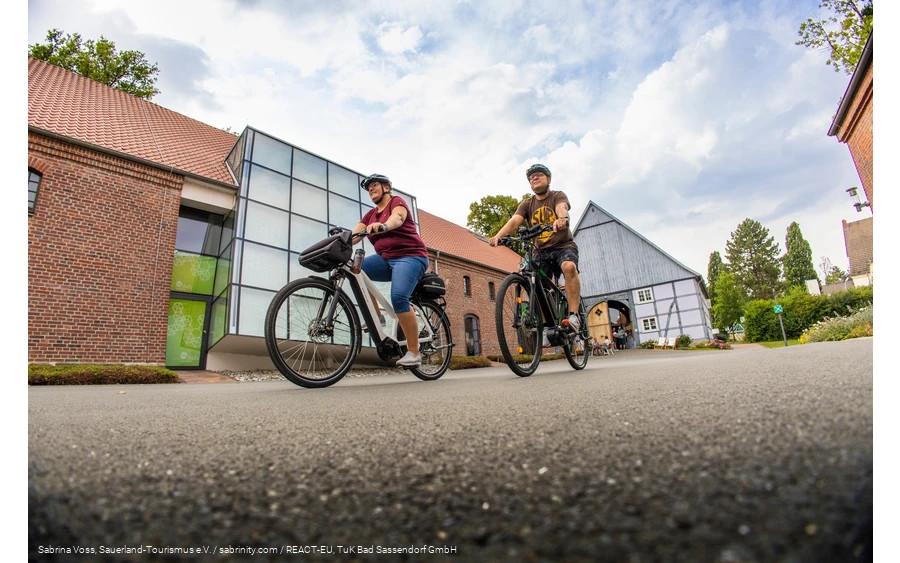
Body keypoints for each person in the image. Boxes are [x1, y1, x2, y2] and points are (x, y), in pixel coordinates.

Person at [488, 163, 583, 334]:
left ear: (549, 179)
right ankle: (547, 327)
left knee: (569, 266)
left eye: (539, 175)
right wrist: (498, 236)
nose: (535, 178)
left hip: (562, 245)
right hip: (540, 251)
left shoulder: (557, 196)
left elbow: (562, 208)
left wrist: (561, 218)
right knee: (533, 282)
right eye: (531, 177)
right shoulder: (527, 204)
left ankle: (574, 315)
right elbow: (514, 221)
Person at [352, 174, 430, 367]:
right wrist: (340, 240)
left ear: (386, 187)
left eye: (374, 185)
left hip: (411, 256)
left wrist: (384, 225)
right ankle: (376, 315)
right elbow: (354, 235)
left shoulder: (397, 202)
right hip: (387, 259)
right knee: (356, 270)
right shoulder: (370, 215)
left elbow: (398, 218)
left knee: (398, 297)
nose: (371, 189)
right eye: (368, 188)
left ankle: (414, 351)